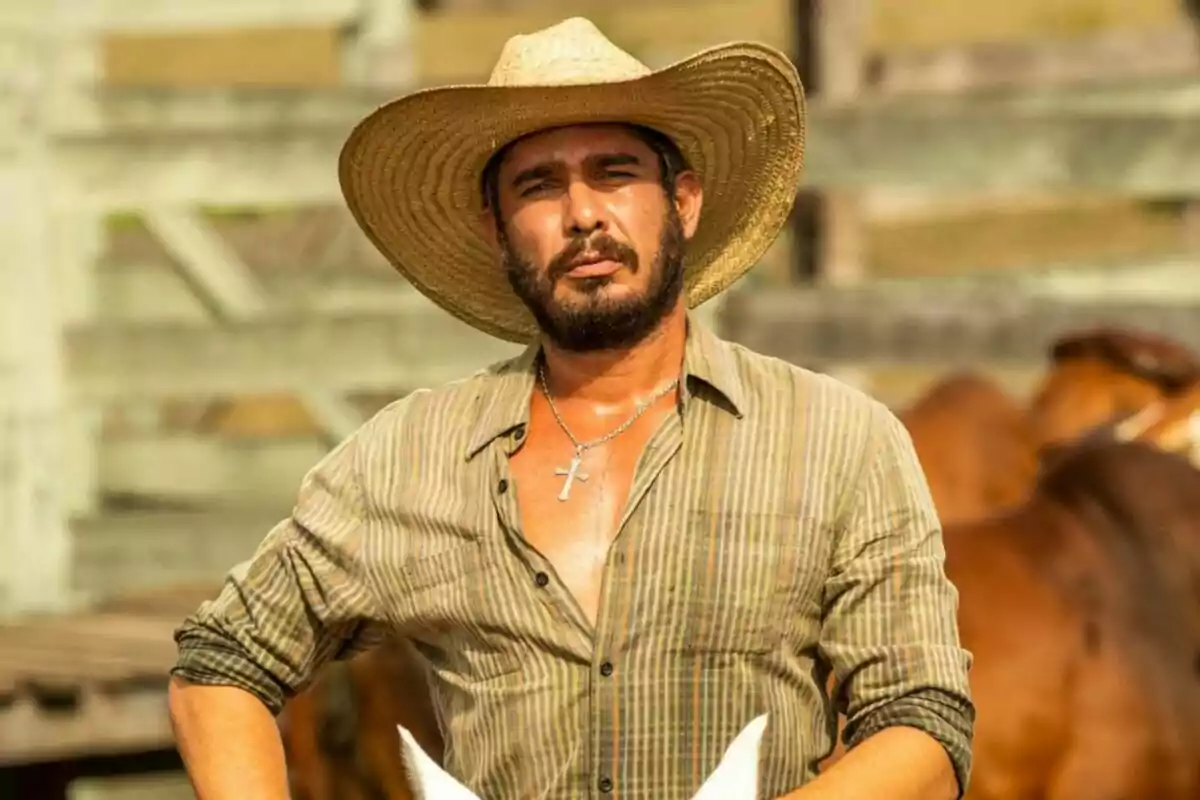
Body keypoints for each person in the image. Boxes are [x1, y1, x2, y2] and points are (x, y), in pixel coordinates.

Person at [168, 16, 974, 800]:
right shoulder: (406, 457)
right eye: (539, 184)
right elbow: (221, 662)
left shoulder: (837, 440)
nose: (583, 214)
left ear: (683, 201)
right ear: (496, 226)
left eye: (615, 172)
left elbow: (923, 723)